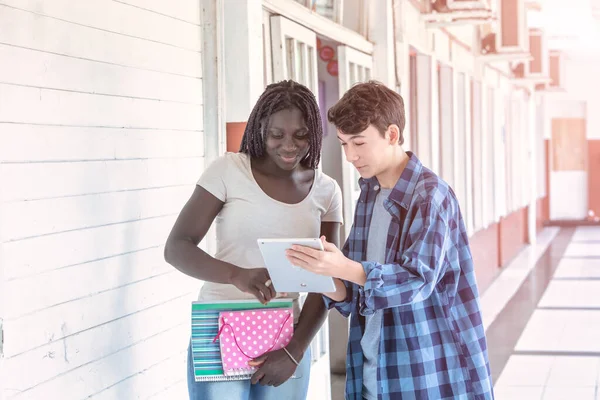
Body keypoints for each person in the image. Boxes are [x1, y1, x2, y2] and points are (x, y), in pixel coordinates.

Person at [287, 81, 494, 400]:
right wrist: (324, 272)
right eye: (343, 144)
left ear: (392, 134)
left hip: (423, 373)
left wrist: (346, 267)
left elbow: (417, 281)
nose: (350, 155)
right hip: (372, 372)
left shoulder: (429, 196)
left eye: (359, 142)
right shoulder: (368, 195)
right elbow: (357, 294)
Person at [164, 80, 343, 400]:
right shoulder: (228, 171)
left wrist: (294, 351)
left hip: (287, 335)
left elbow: (324, 280)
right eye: (277, 134)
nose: (289, 145)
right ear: (260, 128)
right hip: (219, 327)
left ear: (314, 132)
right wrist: (238, 275)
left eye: (300, 134)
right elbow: (177, 247)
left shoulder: (326, 191)